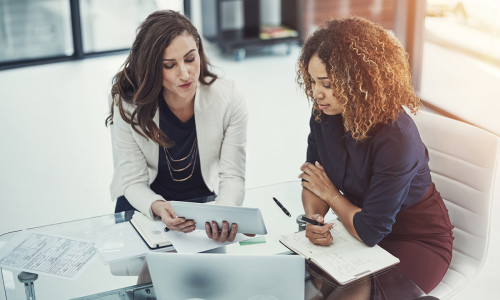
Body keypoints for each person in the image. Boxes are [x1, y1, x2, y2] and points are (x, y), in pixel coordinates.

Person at [296, 16, 453, 294]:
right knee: (303, 285)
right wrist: (314, 220)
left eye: (328, 84)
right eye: (312, 81)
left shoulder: (396, 137)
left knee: (345, 293)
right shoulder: (324, 114)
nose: (317, 93)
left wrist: (332, 195)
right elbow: (313, 180)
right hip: (355, 223)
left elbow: (370, 230)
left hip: (413, 239)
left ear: (359, 80)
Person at [106, 10, 247, 243]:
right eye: (169, 65)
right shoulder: (128, 104)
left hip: (204, 208)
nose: (185, 74)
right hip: (144, 204)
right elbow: (132, 182)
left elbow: (233, 176)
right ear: (151, 68)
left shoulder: (229, 97)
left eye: (190, 59)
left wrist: (224, 212)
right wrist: (158, 207)